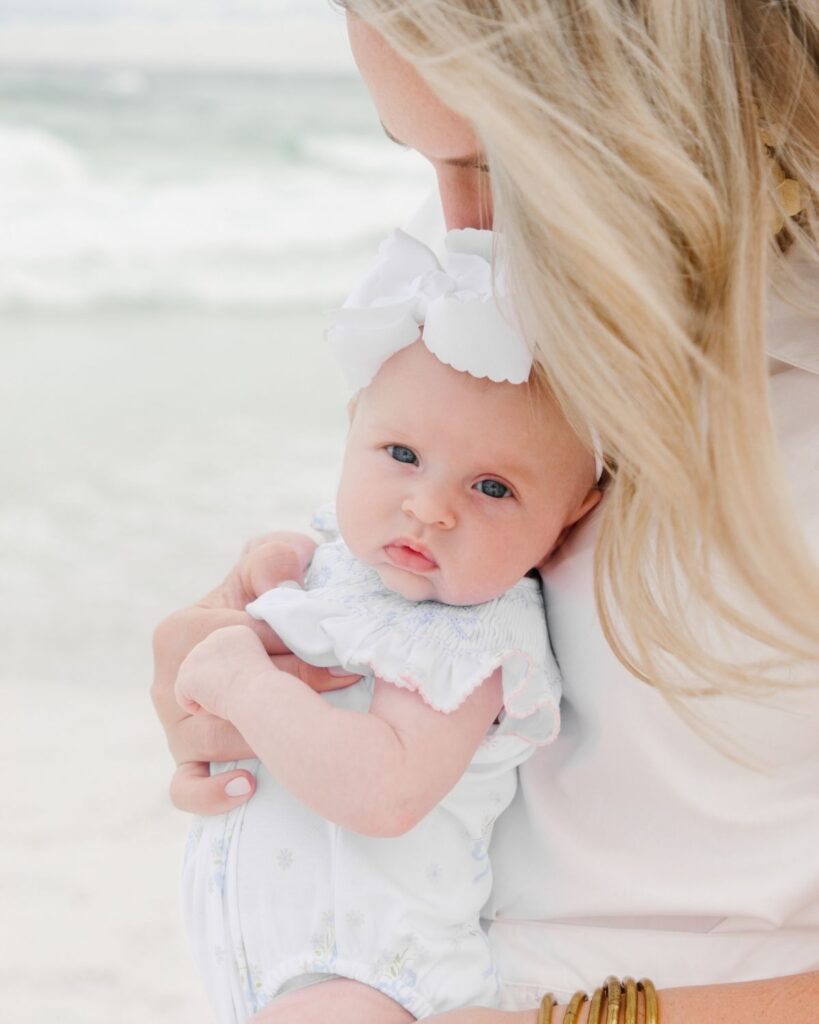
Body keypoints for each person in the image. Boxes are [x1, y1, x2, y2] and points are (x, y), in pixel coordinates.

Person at [152, 3, 819, 1021]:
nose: (458, 226)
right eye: (423, 163)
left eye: (498, 165)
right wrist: (248, 659)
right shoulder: (481, 281)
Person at [176, 227, 602, 1023]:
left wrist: (242, 682)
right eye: (400, 453)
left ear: (571, 514)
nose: (429, 507)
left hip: (368, 977)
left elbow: (384, 792)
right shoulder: (362, 563)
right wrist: (278, 564)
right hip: (279, 965)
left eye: (492, 487)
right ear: (351, 425)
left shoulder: (467, 633)